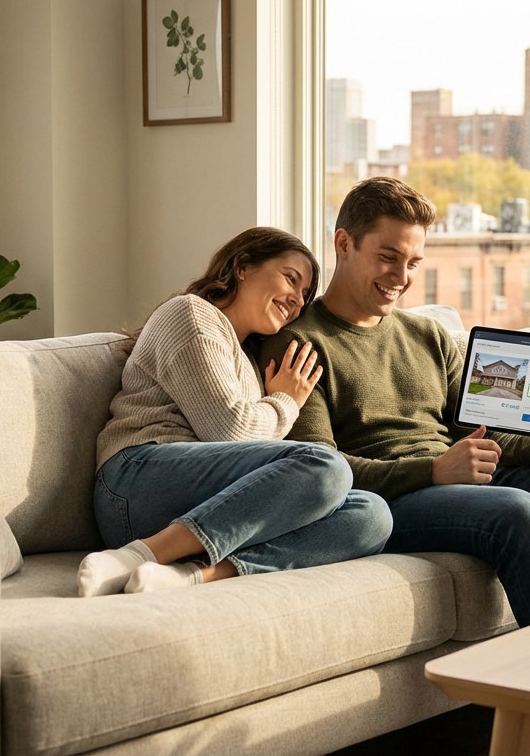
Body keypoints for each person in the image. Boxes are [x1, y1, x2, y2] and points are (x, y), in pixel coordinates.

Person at [257, 178, 530, 756]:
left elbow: (478, 435)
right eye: (387, 256)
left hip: (466, 479)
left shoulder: (428, 334)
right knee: (515, 510)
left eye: (412, 261)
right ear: (344, 244)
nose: (401, 276)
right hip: (395, 500)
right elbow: (319, 470)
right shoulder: (298, 344)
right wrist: (434, 470)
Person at [81, 226, 393, 597]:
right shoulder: (191, 315)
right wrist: (287, 402)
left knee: (372, 515)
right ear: (243, 266)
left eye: (305, 294)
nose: (297, 299)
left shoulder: (248, 358)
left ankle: (192, 574)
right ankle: (134, 556)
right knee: (326, 466)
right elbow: (229, 431)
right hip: (134, 483)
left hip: (205, 503)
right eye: (290, 279)